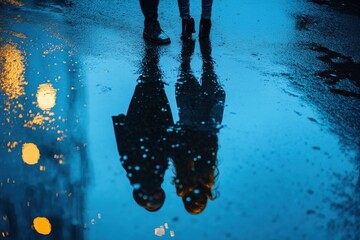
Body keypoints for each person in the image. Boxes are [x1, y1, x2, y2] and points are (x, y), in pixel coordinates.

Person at [112, 43, 173, 211]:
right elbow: (124, 148)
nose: (160, 195)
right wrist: (121, 124)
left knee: (152, 85)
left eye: (158, 198)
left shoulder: (148, 177)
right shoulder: (137, 175)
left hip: (152, 125)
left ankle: (151, 51)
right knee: (147, 85)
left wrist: (171, 133)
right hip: (141, 123)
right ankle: (150, 53)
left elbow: (160, 150)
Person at [171, 39, 225, 214]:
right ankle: (199, 44)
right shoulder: (197, 175)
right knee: (200, 74)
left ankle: (196, 43)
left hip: (197, 124)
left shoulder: (195, 174)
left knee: (197, 74)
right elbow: (208, 146)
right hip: (197, 124)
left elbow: (208, 145)